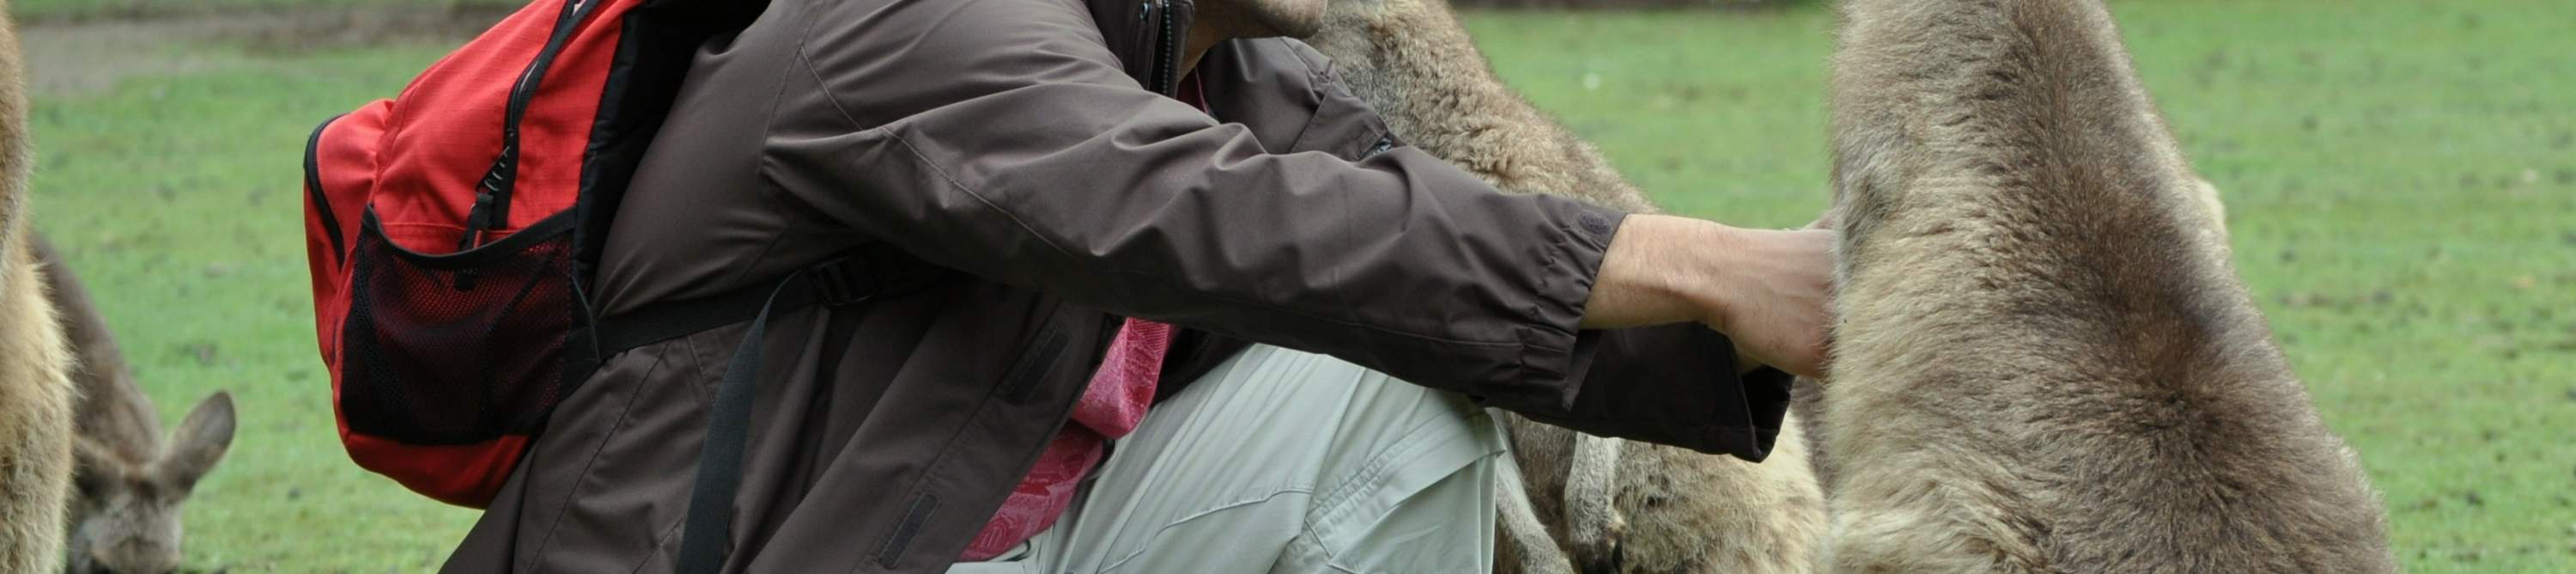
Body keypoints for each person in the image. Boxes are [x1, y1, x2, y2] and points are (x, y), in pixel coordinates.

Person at [441, 0, 1834, 571]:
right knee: (1380, 405)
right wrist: (1709, 268)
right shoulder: (929, 25)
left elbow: (1454, 237)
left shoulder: (1214, 71)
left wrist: (1864, 320)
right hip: (750, 550)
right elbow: (1231, 219)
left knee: (1421, 370)